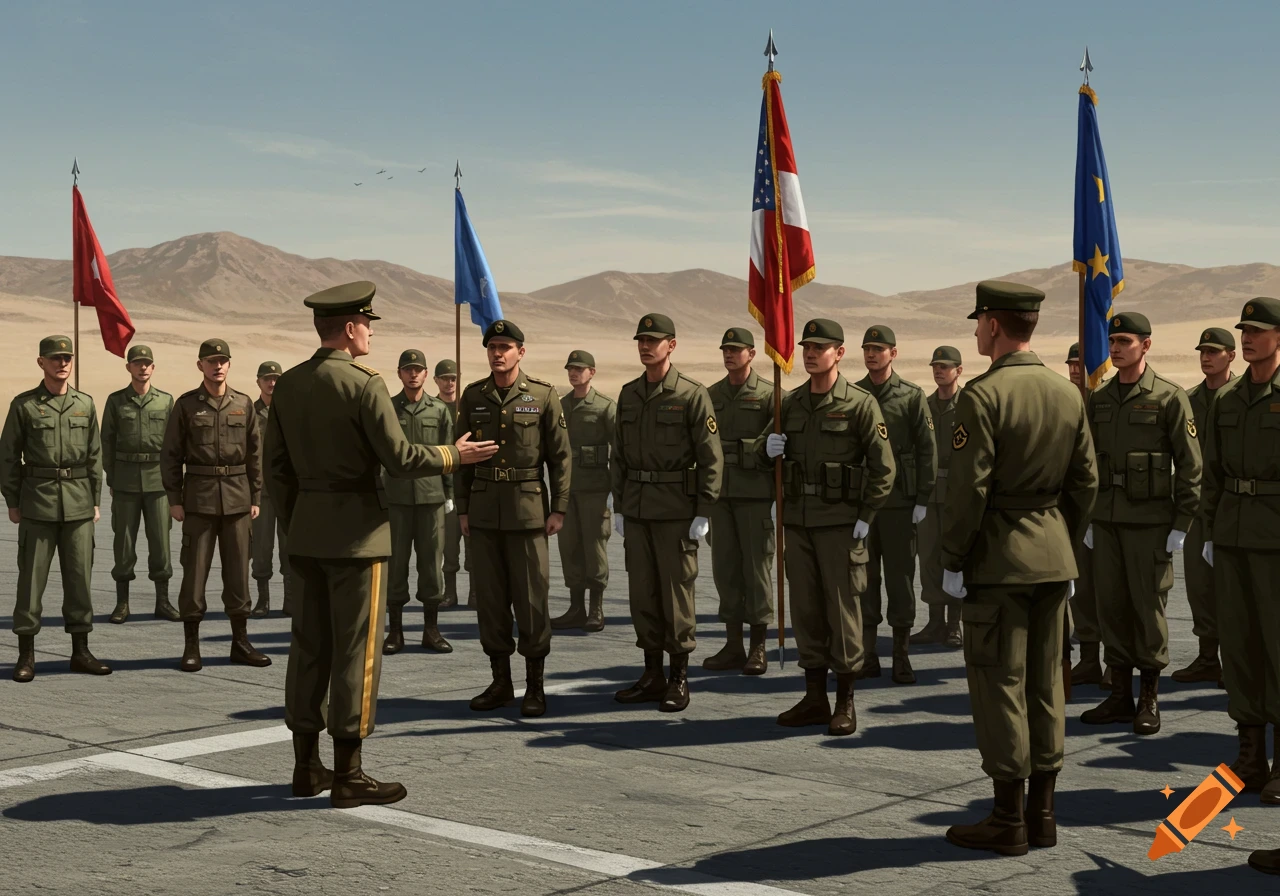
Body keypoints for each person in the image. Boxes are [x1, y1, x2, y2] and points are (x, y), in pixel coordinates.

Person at [264, 280, 496, 808]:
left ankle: (306, 766)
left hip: (305, 534)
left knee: (308, 649)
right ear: (349, 329)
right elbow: (398, 458)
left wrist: (298, 521)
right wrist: (454, 456)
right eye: (367, 324)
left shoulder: (291, 385)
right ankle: (348, 774)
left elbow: (274, 471)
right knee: (355, 654)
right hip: (359, 538)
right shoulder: (364, 384)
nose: (370, 332)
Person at [941, 281, 1097, 856]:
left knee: (999, 684)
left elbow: (967, 492)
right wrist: (1061, 540)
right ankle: (1044, 814)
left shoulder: (981, 396)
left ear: (995, 325)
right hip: (1053, 558)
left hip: (999, 564)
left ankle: (1008, 819)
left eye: (979, 321)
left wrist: (953, 558)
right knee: (1046, 686)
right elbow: (1086, 483)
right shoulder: (1067, 393)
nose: (976, 330)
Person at [760, 319, 895, 734]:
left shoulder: (858, 404)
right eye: (807, 347)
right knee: (806, 612)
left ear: (839, 353)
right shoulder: (791, 402)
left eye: (821, 347)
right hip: (798, 524)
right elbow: (766, 457)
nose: (811, 353)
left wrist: (865, 517)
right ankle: (814, 698)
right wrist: (767, 449)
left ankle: (845, 702)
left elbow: (883, 468)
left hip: (840, 526)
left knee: (843, 612)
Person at [1080, 312, 1201, 737]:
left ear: (1145, 346)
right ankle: (1118, 695)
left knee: (1148, 607)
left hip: (1150, 523)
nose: (1115, 348)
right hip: (1108, 521)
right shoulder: (1102, 397)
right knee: (1110, 605)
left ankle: (1149, 695)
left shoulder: (1169, 397)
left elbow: (1190, 464)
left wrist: (1182, 521)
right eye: (1112, 341)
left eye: (1125, 341)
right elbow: (1089, 461)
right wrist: (1090, 516)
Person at [456, 320, 572, 717]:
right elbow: (462, 459)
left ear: (520, 352)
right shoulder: (473, 396)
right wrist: (464, 509)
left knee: (531, 601)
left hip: (528, 513)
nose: (497, 353)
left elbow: (560, 457)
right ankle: (501, 682)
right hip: (485, 512)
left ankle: (535, 686)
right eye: (492, 346)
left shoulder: (541, 395)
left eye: (505, 346)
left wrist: (559, 507)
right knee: (490, 601)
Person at [612, 313, 723, 712]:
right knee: (643, 593)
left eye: (653, 340)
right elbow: (619, 456)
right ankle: (651, 673)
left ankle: (679, 677)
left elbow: (712, 457)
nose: (645, 346)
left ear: (671, 345)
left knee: (677, 595)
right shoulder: (628, 394)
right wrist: (620, 505)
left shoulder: (691, 395)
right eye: (641, 339)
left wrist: (704, 509)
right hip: (638, 509)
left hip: (676, 511)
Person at [1200, 297, 1280, 809]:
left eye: (1257, 330)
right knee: (1240, 646)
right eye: (1243, 331)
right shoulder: (1226, 399)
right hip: (1231, 534)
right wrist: (1209, 530)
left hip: (1276, 537)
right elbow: (1211, 472)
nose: (1247, 338)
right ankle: (1249, 756)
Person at [1, 335, 109, 681]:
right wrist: (13, 502)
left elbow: (95, 456)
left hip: (78, 506)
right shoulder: (25, 406)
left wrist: (95, 500)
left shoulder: (85, 404)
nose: (62, 363)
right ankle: (26, 656)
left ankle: (81, 652)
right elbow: (8, 457)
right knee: (31, 582)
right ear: (41, 362)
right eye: (55, 358)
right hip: (38, 505)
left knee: (80, 581)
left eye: (67, 357)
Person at [161, 338, 270, 673]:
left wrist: (254, 496)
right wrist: (175, 500)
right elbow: (170, 456)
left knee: (238, 575)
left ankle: (240, 642)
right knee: (194, 576)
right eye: (211, 361)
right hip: (199, 501)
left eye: (222, 360)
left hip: (237, 500)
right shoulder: (187, 405)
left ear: (229, 364)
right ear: (200, 366)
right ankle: (191, 646)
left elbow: (255, 453)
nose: (217, 366)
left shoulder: (243, 404)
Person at [856, 325, 937, 683]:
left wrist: (923, 498)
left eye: (879, 348)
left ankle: (901, 656)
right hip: (864, 505)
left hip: (901, 503)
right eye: (867, 348)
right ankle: (868, 654)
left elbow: (927, 450)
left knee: (901, 580)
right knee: (865, 580)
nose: (872, 354)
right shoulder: (854, 394)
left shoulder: (911, 395)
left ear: (893, 353)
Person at [702, 327, 776, 674]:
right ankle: (733, 645)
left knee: (757, 571)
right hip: (720, 498)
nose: (729, 354)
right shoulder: (711, 395)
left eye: (736, 349)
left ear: (752, 353)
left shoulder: (770, 395)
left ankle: (758, 647)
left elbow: (782, 446)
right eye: (725, 349)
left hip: (755, 497)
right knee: (726, 571)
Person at [1173, 328, 1235, 688]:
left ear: (1231, 356)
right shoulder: (1188, 399)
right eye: (1202, 351)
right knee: (1199, 584)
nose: (1206, 357)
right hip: (1197, 504)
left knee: (1233, 586)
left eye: (1214, 351)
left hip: (1235, 503)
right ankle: (1208, 657)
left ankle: (1235, 661)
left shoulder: (1242, 394)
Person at [383, 349, 455, 655]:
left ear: (427, 375)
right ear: (399, 373)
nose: (413, 374)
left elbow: (450, 454)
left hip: (431, 498)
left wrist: (450, 494)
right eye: (407, 369)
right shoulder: (387, 408)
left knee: (431, 566)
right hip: (396, 498)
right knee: (396, 564)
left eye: (418, 369)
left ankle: (431, 630)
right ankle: (395, 632)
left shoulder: (439, 410)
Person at [101, 344, 179, 624]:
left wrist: (173, 482)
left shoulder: (165, 401)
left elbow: (174, 444)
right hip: (125, 482)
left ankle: (163, 601)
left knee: (161, 543)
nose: (142, 367)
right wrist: (111, 477)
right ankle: (123, 603)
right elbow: (106, 441)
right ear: (129, 367)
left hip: (158, 482)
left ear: (153, 368)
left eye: (147, 363)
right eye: (137, 363)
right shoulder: (116, 401)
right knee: (123, 543)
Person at [550, 349, 615, 633]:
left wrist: (617, 490)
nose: (574, 373)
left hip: (594, 490)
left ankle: (595, 608)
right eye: (570, 369)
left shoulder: (604, 407)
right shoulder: (560, 405)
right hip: (566, 490)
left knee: (594, 546)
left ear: (592, 372)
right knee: (569, 547)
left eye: (579, 369)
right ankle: (576, 607)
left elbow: (620, 450)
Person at [911, 345, 964, 649]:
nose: (939, 371)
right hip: (929, 494)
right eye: (935, 366)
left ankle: (955, 624)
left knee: (954, 556)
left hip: (958, 494)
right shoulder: (925, 406)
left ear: (959, 370)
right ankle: (934, 622)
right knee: (929, 557)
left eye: (945, 366)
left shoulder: (969, 404)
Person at [1064, 344, 1109, 690]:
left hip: (1107, 510)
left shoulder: (1103, 401)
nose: (1076, 369)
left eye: (1081, 363)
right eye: (1071, 364)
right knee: (1081, 592)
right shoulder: (1062, 399)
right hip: (1072, 508)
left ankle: (1116, 663)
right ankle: (1089, 658)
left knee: (1109, 589)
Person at [250, 360, 297, 619]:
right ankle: (262, 599)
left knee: (289, 546)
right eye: (267, 378)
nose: (272, 383)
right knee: (261, 548)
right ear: (258, 381)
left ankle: (290, 599)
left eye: (276, 378)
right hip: (261, 492)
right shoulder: (249, 412)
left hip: (287, 491)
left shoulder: (290, 412)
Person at [433, 359, 472, 609]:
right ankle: (450, 592)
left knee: (473, 542)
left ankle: (476, 592)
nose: (450, 383)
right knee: (448, 544)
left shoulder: (467, 407)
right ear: (435, 380)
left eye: (453, 378)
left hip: (468, 482)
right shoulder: (432, 408)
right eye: (445, 378)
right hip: (443, 485)